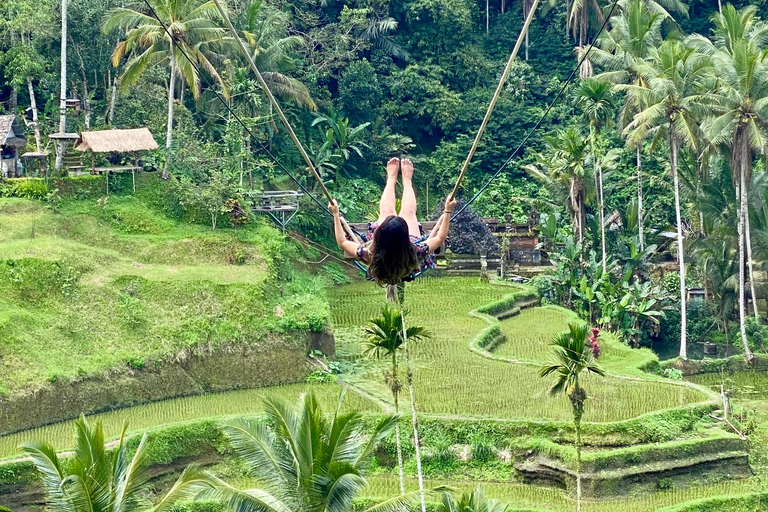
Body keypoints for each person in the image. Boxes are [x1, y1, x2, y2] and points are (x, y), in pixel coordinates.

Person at [330, 157, 456, 285]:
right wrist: (447, 211)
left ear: (378, 234)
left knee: (387, 211)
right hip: (405, 261)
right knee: (408, 213)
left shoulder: (370, 253)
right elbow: (440, 238)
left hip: (385, 259)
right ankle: (407, 181)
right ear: (405, 236)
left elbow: (342, 242)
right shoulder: (414, 252)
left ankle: (391, 180)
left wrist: (335, 214)